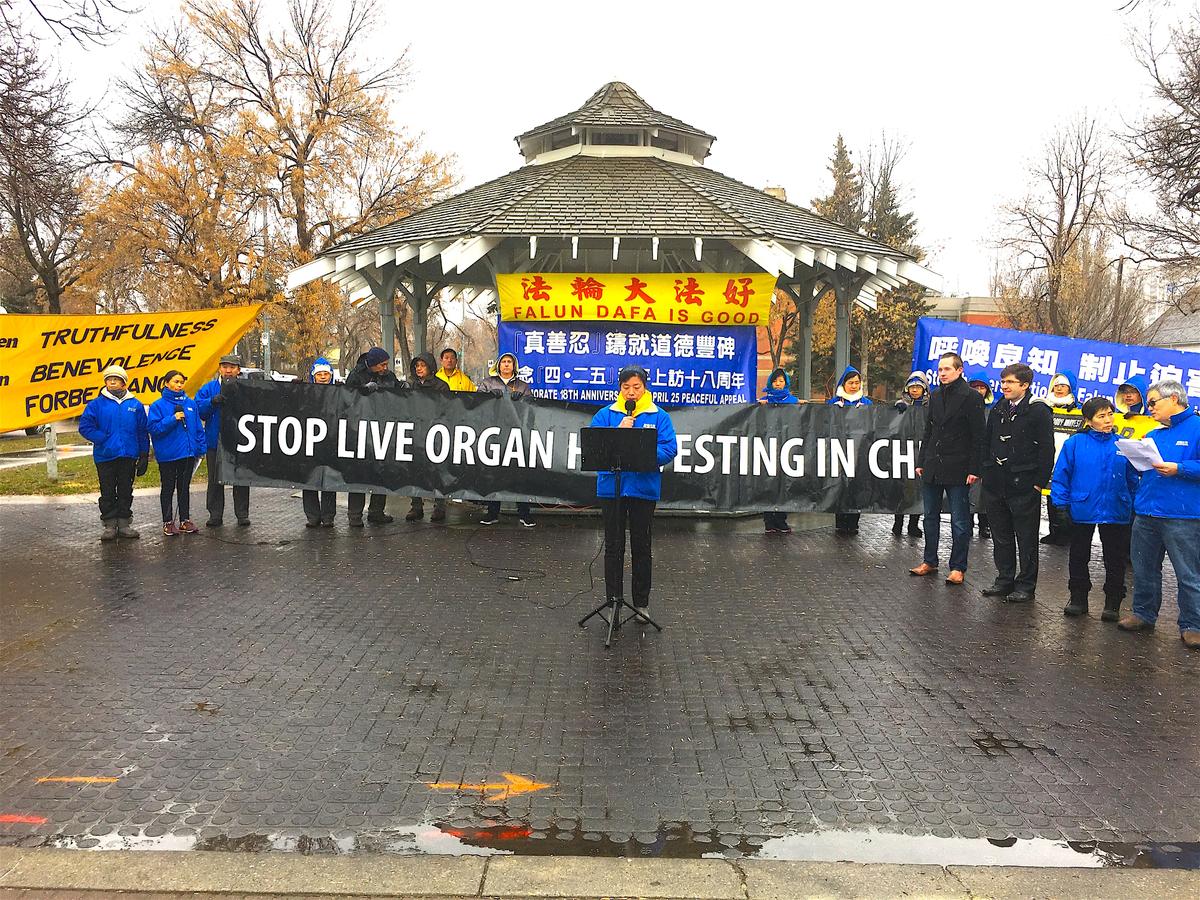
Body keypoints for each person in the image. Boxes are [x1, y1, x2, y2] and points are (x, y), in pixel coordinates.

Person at [589, 364, 678, 619]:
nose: (631, 392)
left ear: (645, 388)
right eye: (626, 387)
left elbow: (669, 448)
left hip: (643, 490)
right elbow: (594, 448)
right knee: (614, 547)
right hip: (612, 490)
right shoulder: (606, 415)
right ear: (619, 388)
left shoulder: (658, 416)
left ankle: (641, 604)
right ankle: (613, 603)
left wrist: (643, 454)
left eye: (636, 387)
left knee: (642, 546)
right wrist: (619, 434)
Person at [1117, 380, 1200, 648]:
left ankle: (1192, 624)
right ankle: (1143, 613)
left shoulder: (1197, 428)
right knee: (1143, 568)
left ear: (1174, 399)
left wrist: (1181, 468)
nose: (1148, 407)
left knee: (1187, 573)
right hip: (1147, 510)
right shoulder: (1155, 433)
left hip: (1182, 514)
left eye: (1153, 402)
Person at [1049, 396, 1138, 620]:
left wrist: (1133, 502)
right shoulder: (1075, 444)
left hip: (1116, 508)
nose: (1108, 419)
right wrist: (1060, 505)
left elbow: (1133, 479)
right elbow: (1061, 476)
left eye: (1110, 414)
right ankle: (1078, 597)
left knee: (1115, 557)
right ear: (1088, 421)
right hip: (1082, 506)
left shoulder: (1123, 445)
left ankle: (1113, 602)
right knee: (1079, 555)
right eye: (1101, 416)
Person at [980, 363, 1055, 603]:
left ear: (1024, 385)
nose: (1005, 386)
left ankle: (1026, 584)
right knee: (1001, 535)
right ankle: (1004, 579)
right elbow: (987, 441)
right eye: (1003, 382)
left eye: (1010, 382)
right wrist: (986, 469)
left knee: (1026, 537)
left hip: (1024, 482)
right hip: (996, 482)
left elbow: (1046, 449)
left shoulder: (1038, 410)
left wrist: (1038, 483)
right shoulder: (998, 408)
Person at [910, 352, 985, 585]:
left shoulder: (971, 397)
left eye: (947, 369)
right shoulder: (934, 395)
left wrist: (975, 468)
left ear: (959, 370)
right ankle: (929, 561)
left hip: (959, 467)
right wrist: (922, 461)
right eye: (940, 369)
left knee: (960, 521)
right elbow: (929, 431)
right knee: (929, 517)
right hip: (933, 465)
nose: (942, 373)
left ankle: (958, 567)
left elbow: (978, 435)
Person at [78, 364, 149, 541]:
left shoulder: (135, 404)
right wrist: (102, 438)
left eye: (115, 379)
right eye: (109, 379)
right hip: (105, 455)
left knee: (125, 489)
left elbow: (142, 430)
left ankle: (124, 523)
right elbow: (85, 427)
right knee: (108, 490)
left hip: (128, 455)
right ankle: (110, 524)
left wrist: (143, 454)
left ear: (124, 382)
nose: (112, 382)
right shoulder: (96, 404)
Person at [477, 352, 535, 527]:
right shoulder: (488, 383)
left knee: (519, 474)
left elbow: (531, 409)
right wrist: (488, 397)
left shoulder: (523, 386)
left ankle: (524, 513)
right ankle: (492, 512)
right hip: (494, 434)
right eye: (503, 362)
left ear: (514, 366)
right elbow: (476, 404)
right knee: (495, 474)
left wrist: (522, 399)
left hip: (516, 434)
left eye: (510, 362)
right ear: (498, 365)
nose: (506, 365)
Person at [148, 369, 207, 537]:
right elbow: (153, 428)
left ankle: (185, 520)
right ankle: (168, 522)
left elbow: (197, 428)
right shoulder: (158, 405)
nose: (179, 385)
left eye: (181, 382)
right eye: (175, 382)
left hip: (187, 454)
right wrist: (172, 419)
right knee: (168, 487)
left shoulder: (190, 404)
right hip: (168, 455)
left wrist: (200, 448)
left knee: (184, 488)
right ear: (167, 383)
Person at [344, 347, 398, 526]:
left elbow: (398, 395)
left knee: (380, 473)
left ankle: (376, 511)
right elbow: (347, 398)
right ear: (373, 364)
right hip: (360, 430)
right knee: (359, 474)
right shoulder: (356, 375)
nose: (385, 368)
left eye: (386, 364)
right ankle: (355, 514)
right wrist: (362, 391)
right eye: (382, 364)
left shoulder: (389, 377)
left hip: (382, 430)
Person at [196, 354, 250, 527]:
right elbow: (199, 410)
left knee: (240, 479)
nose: (228, 370)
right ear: (219, 369)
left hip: (240, 442)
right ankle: (215, 514)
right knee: (214, 480)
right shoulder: (209, 388)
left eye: (232, 367)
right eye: (225, 367)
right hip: (215, 442)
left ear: (238, 370)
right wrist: (211, 402)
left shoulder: (247, 389)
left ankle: (242, 514)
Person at [1035, 370, 1080, 546]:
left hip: (1066, 456)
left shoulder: (1077, 409)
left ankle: (1066, 532)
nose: (1059, 389)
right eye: (1057, 385)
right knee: (1049, 496)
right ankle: (1054, 531)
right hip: (1048, 456)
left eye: (1063, 385)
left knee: (1064, 497)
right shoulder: (1043, 406)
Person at [405, 352, 452, 522]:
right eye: (417, 366)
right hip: (416, 433)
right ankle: (416, 506)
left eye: (422, 365)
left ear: (430, 367)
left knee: (437, 471)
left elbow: (446, 409)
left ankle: (440, 507)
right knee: (415, 470)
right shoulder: (411, 386)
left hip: (435, 433)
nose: (419, 369)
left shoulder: (442, 386)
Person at [827, 365, 872, 535]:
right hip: (839, 451)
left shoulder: (867, 403)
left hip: (859, 451)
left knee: (856, 487)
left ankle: (853, 522)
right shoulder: (834, 403)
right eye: (851, 383)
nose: (854, 386)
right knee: (840, 487)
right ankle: (840, 521)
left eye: (857, 383)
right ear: (844, 384)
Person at [758, 367, 799, 534]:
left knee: (782, 486)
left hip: (785, 448)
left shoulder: (793, 401)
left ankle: (780, 520)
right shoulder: (762, 401)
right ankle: (769, 521)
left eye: (781, 381)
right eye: (775, 381)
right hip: (766, 449)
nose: (778, 384)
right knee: (768, 485)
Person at [302, 358, 339, 527]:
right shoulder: (306, 393)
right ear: (313, 376)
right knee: (309, 479)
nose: (323, 377)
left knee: (330, 479)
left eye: (326, 374)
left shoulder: (339, 393)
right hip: (310, 442)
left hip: (330, 442)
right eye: (319, 374)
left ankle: (328, 516)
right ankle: (312, 516)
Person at [892, 371, 929, 537]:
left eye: (918, 387)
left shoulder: (930, 406)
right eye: (912, 387)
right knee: (901, 489)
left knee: (918, 490)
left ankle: (913, 524)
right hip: (903, 450)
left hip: (921, 451)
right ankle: (897, 522)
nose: (914, 390)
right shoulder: (901, 404)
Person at [966, 370, 994, 539]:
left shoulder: (994, 409)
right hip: (967, 454)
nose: (978, 390)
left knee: (985, 492)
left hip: (987, 455)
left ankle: (984, 524)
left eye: (982, 387)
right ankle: (967, 523)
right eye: (975, 387)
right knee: (968, 491)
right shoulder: (963, 406)